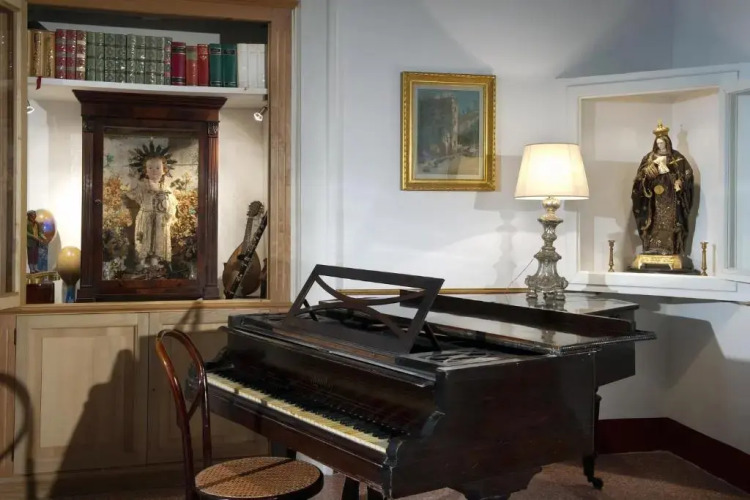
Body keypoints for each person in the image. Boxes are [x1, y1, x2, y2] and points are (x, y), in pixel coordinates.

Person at [631, 121, 694, 256]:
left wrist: (680, 182)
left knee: (671, 221)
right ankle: (652, 247)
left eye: (662, 143)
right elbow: (639, 178)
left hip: (671, 196)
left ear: (667, 142)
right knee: (653, 220)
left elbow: (687, 174)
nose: (660, 145)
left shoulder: (677, 157)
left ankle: (670, 248)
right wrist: (646, 173)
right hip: (653, 198)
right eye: (658, 143)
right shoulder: (648, 158)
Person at [123, 143, 178, 265]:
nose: (154, 171)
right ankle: (141, 263)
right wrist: (133, 180)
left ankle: (154, 264)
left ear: (164, 170)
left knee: (157, 244)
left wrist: (169, 215)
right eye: (150, 168)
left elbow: (172, 203)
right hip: (145, 218)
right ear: (145, 171)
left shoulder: (166, 188)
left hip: (160, 221)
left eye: (158, 168)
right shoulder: (143, 186)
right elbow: (132, 194)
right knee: (144, 241)